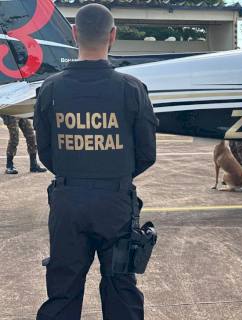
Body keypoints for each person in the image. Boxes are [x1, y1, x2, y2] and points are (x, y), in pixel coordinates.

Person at [34, 4, 158, 320]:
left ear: (74, 34)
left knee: (62, 292)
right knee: (120, 290)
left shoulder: (50, 88)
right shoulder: (131, 88)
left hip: (67, 204)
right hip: (115, 205)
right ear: (112, 36)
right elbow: (146, 154)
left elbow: (46, 153)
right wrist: (112, 173)